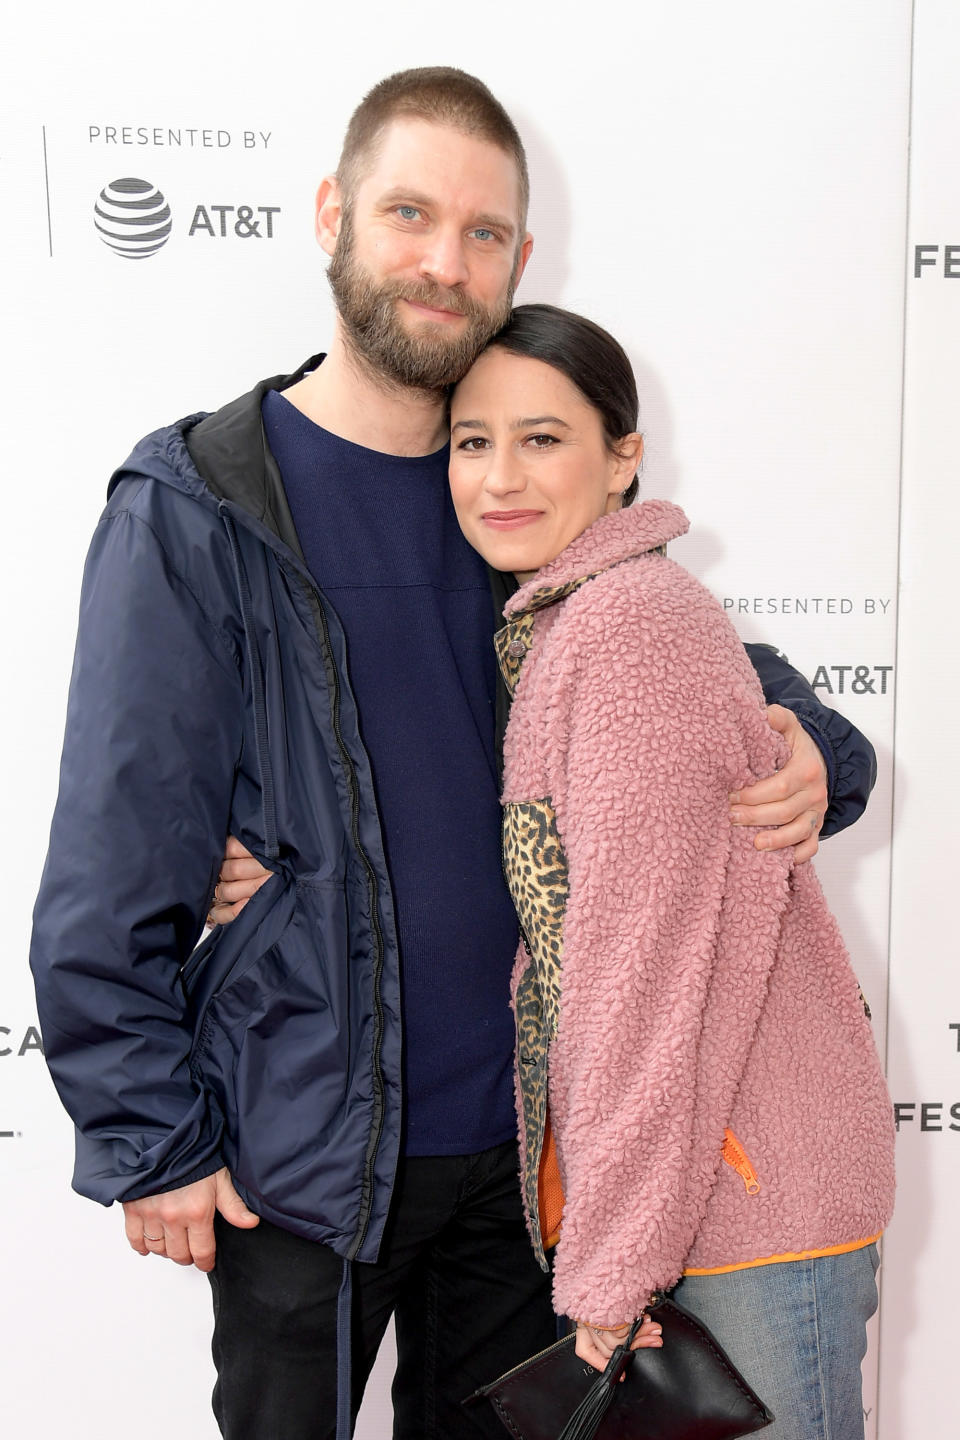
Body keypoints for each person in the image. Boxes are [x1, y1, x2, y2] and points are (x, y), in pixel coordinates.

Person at [29, 68, 877, 1440]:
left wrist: (814, 749)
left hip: (526, 1162)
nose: (444, 260)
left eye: (484, 233)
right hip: (304, 1160)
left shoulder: (510, 487)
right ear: (331, 216)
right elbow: (109, 857)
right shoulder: (199, 506)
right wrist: (146, 1138)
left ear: (519, 262)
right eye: (411, 214)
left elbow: (728, 681)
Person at [445, 303, 894, 1440]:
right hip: (699, 1201)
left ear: (622, 457)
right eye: (472, 440)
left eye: (542, 438)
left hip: (743, 1214)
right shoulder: (568, 624)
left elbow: (643, 975)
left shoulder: (631, 626)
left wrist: (610, 1267)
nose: (501, 475)